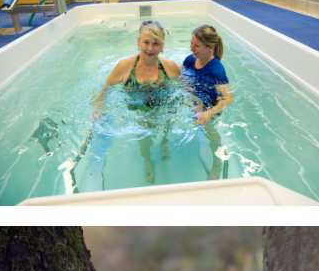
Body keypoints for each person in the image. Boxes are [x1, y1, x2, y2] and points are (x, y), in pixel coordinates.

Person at [93, 20, 182, 183]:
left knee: (169, 119)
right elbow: (106, 89)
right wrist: (99, 108)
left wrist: (197, 104)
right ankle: (147, 160)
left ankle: (164, 141)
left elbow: (185, 87)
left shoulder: (170, 67)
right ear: (138, 42)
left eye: (155, 44)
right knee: (144, 132)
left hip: (163, 104)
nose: (149, 48)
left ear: (162, 46)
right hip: (137, 109)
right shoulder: (125, 66)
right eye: (146, 42)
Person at [180, 24, 234, 180]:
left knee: (213, 136)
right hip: (196, 102)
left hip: (211, 108)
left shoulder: (216, 70)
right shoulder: (190, 60)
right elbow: (182, 79)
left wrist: (208, 113)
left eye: (196, 46)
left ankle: (217, 166)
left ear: (209, 47)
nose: (192, 48)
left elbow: (228, 98)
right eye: (191, 43)